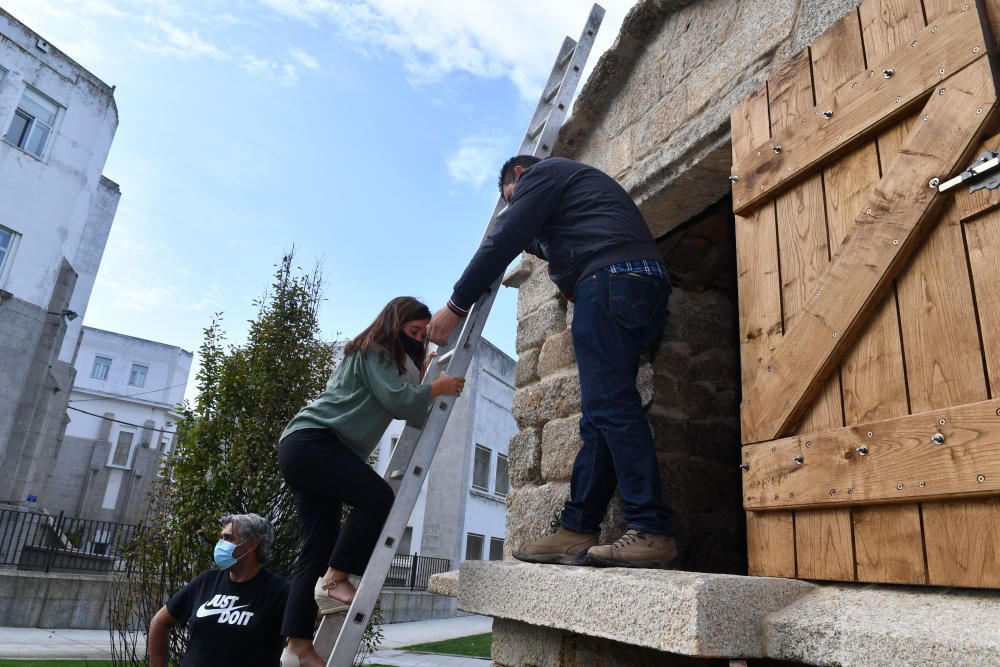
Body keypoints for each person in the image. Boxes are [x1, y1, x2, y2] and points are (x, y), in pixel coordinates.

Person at [428, 156, 676, 569]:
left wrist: (456, 304)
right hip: (636, 284)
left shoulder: (541, 174)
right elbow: (542, 237)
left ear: (519, 176)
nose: (516, 203)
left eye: (513, 197)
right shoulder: (577, 192)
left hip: (611, 280)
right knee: (601, 413)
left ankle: (651, 528)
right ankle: (577, 527)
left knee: (611, 408)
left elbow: (501, 241)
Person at [278, 296, 465, 667]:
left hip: (305, 448)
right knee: (377, 498)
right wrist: (436, 387)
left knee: (316, 549)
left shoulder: (386, 358)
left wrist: (423, 376)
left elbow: (409, 407)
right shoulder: (375, 348)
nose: (417, 338)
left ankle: (297, 647)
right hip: (314, 441)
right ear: (395, 323)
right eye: (413, 331)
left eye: (421, 334)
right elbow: (400, 401)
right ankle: (334, 582)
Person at [148, 513, 290, 667]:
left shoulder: (279, 591)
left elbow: (311, 619)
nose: (221, 544)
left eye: (228, 538)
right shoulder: (206, 581)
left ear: (251, 545)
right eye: (221, 537)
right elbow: (159, 622)